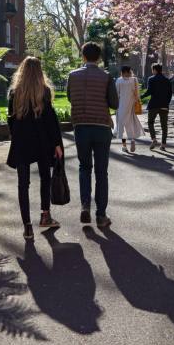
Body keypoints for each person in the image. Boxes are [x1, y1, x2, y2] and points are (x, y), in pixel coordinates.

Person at [7, 57, 63, 240]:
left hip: (22, 142)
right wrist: (57, 144)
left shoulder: (14, 93)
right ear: (39, 72)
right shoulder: (44, 91)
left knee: (23, 184)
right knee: (45, 178)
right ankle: (45, 216)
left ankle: (27, 226)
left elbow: (11, 119)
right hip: (42, 141)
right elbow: (50, 120)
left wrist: (14, 137)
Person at [67, 42, 119, 228]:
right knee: (101, 171)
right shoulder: (106, 77)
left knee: (84, 167)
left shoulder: (72, 76)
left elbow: (70, 97)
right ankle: (101, 215)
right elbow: (114, 104)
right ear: (98, 58)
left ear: (83, 56)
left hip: (81, 125)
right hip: (101, 126)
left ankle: (85, 206)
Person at [141, 63, 173, 151]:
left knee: (150, 122)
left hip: (153, 105)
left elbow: (149, 92)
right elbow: (170, 93)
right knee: (164, 126)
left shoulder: (151, 79)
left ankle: (154, 139)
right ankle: (163, 144)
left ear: (154, 70)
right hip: (164, 105)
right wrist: (167, 103)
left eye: (152, 69)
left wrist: (141, 97)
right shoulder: (167, 80)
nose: (152, 71)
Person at [114, 66, 145, 153]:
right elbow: (137, 94)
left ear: (122, 72)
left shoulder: (119, 80)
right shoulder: (134, 80)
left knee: (121, 125)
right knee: (131, 124)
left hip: (121, 106)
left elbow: (116, 94)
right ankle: (132, 140)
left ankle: (124, 146)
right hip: (131, 106)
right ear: (129, 71)